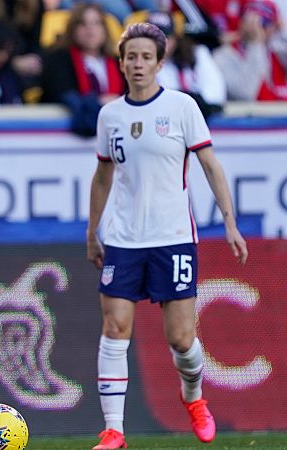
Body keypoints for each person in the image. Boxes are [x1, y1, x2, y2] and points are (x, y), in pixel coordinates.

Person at [86, 22, 248, 450]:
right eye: (130, 56)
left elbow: (211, 165)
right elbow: (103, 175)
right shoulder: (110, 115)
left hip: (173, 237)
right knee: (114, 328)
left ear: (160, 63)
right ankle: (114, 430)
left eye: (145, 57)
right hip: (123, 239)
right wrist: (92, 231)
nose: (137, 64)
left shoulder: (181, 107)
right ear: (121, 62)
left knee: (180, 339)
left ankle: (193, 397)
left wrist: (229, 222)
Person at [39, 3, 124, 136]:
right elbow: (62, 94)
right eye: (83, 24)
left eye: (96, 23)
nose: (90, 30)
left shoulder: (119, 63)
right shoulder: (58, 60)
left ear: (104, 29)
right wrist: (97, 102)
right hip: (69, 137)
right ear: (73, 29)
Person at [148, 11, 226, 118]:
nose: (158, 44)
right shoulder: (137, 64)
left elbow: (216, 95)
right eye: (152, 38)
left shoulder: (197, 53)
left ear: (175, 39)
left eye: (165, 37)